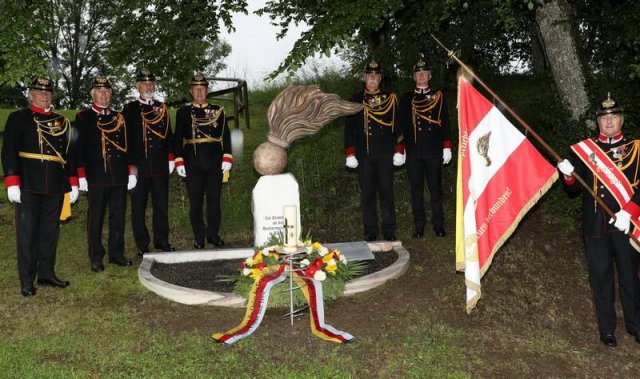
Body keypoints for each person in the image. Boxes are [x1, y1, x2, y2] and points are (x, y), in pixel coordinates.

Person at [557, 94, 640, 347]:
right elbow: (572, 189)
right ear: (598, 122)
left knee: (630, 277)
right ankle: (607, 329)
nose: (609, 122)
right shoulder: (584, 150)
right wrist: (568, 175)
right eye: (604, 118)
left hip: (627, 224)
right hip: (595, 225)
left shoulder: (636, 148)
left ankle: (636, 325)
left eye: (613, 117)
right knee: (600, 277)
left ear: (621, 120)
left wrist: (631, 210)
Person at [1, 76, 79, 296]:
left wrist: (72, 182)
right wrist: (12, 182)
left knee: (49, 232)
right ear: (31, 94)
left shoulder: (62, 122)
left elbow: (70, 155)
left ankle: (46, 274)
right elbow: (8, 152)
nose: (44, 96)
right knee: (27, 235)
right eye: (39, 92)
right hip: (28, 184)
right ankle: (27, 280)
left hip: (54, 184)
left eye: (48, 92)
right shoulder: (18, 118)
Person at [76, 76, 135, 272]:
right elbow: (78, 148)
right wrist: (81, 174)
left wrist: (131, 171)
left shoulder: (119, 117)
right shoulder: (83, 117)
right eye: (100, 91)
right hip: (96, 175)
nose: (104, 94)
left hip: (118, 174)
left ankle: (116, 254)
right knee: (96, 217)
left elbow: (129, 146)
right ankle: (96, 256)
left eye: (107, 91)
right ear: (93, 94)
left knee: (118, 216)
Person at [344, 60, 405, 241]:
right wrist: (350, 153)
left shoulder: (390, 97)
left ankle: (388, 229)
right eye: (369, 76)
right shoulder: (355, 99)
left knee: (387, 192)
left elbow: (398, 125)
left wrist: (399, 150)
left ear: (380, 79)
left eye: (375, 77)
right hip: (364, 156)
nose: (372, 79)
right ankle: (370, 230)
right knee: (368, 193)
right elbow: (349, 128)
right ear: (364, 78)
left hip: (386, 154)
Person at [174, 74, 232, 249]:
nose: (199, 92)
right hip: (193, 161)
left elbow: (226, 135)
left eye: (203, 88)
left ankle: (213, 234)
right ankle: (199, 236)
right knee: (196, 201)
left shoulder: (218, 110)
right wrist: (179, 160)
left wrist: (227, 156)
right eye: (196, 89)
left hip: (215, 160)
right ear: (191, 91)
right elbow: (177, 138)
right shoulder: (183, 112)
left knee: (214, 200)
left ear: (207, 90)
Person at [122, 69, 176, 255]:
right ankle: (142, 244)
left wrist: (171, 158)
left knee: (161, 206)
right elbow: (125, 140)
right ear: (138, 87)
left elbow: (169, 135)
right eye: (144, 84)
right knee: (138, 208)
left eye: (151, 84)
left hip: (160, 165)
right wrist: (129, 168)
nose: (148, 87)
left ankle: (162, 241)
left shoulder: (163, 108)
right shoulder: (129, 109)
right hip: (139, 168)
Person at [398, 58, 452, 238]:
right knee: (416, 190)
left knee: (435, 189)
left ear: (429, 75)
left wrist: (446, 147)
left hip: (434, 151)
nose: (421, 76)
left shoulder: (439, 96)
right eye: (418, 73)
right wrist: (400, 149)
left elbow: (446, 122)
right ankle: (419, 225)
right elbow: (400, 126)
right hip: (413, 152)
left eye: (424, 73)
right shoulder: (406, 98)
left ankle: (438, 224)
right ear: (414, 77)